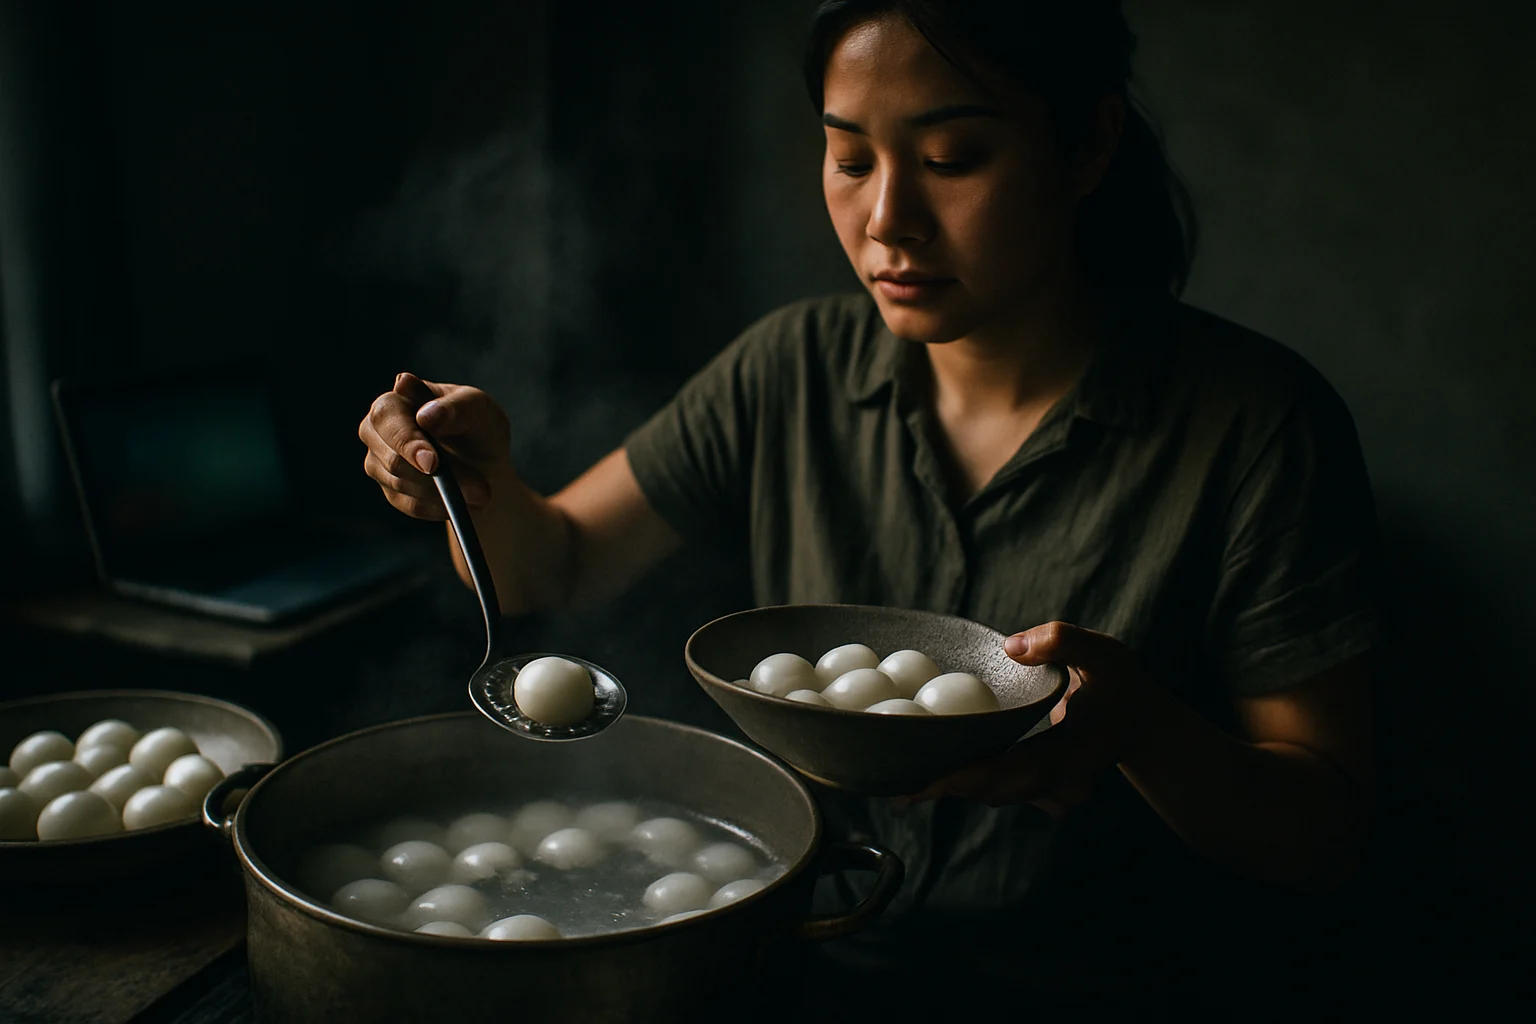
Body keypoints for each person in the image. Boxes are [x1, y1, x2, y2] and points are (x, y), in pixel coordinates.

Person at [360, 1, 1380, 1017]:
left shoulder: (1256, 423)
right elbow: (557, 563)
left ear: (1087, 145)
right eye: (851, 159)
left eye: (951, 158)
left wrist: (1145, 729)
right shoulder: (789, 369)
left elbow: (1324, 837)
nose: (888, 217)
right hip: (804, 965)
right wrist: (476, 484)